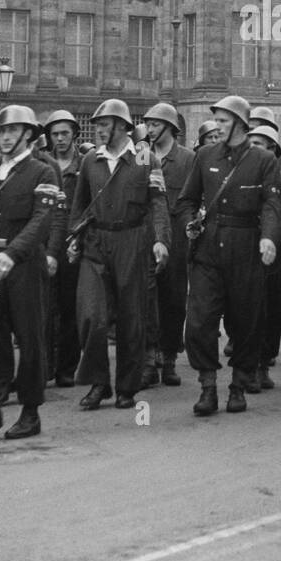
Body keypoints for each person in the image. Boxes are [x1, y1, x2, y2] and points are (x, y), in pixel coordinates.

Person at [0, 106, 63, 442]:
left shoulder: (42, 172)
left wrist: (13, 253)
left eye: (12, 131)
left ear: (28, 135)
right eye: (1, 131)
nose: (4, 137)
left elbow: (42, 220)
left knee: (30, 339)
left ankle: (30, 412)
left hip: (24, 268)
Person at [179, 96, 281, 416]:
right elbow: (187, 200)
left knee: (246, 321)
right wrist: (190, 224)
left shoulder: (264, 160)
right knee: (199, 321)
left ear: (240, 123)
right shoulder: (204, 156)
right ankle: (208, 386)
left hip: (246, 246)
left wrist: (268, 238)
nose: (218, 126)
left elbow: (272, 205)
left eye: (224, 121)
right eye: (218, 120)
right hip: (209, 247)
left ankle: (238, 384)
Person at [69, 100, 169, 411]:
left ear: (123, 126)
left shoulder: (145, 157)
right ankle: (99, 382)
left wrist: (161, 241)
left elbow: (158, 203)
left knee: (131, 319)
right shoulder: (90, 160)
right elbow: (79, 206)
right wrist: (74, 237)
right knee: (90, 315)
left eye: (104, 124)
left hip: (133, 241)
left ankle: (127, 387)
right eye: (97, 124)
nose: (99, 130)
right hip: (96, 243)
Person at [142, 103, 194, 387]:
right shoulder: (142, 155)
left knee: (173, 300)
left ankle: (170, 358)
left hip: (176, 236)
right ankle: (149, 359)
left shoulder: (187, 159)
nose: (149, 130)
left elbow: (193, 198)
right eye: (147, 124)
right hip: (146, 234)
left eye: (155, 124)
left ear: (170, 128)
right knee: (147, 300)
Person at [41, 110, 84, 387]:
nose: (59, 139)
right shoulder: (42, 165)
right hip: (45, 242)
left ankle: (67, 367)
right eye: (55, 134)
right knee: (44, 307)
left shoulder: (85, 164)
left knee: (70, 307)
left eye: (64, 133)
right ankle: (45, 364)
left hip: (73, 243)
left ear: (74, 134)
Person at [248, 123, 281, 392]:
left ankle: (264, 363)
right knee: (247, 308)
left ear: (272, 149)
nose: (252, 148)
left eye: (258, 144)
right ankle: (249, 364)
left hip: (277, 253)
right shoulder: (241, 174)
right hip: (246, 248)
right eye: (250, 143)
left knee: (273, 307)